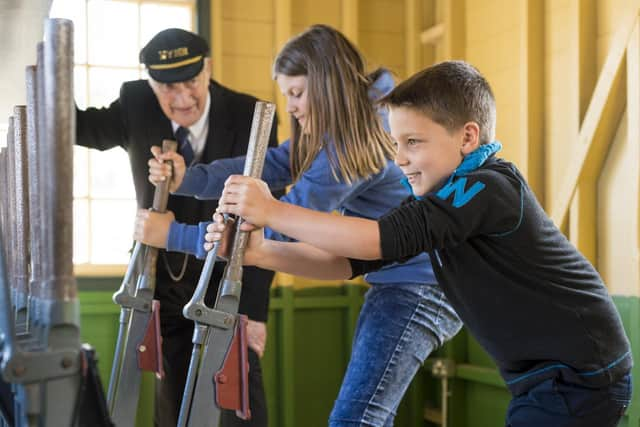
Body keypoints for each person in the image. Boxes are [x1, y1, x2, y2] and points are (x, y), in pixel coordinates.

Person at [210, 60, 633, 427]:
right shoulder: (438, 203)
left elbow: (377, 239)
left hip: (582, 374)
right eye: (396, 143)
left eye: (413, 142)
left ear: (468, 138)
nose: (399, 159)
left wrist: (272, 210)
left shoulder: (486, 187)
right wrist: (259, 253)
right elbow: (348, 260)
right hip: (543, 378)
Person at [143, 25, 462, 427]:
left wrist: (172, 235)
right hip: (402, 279)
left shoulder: (358, 140)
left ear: (327, 85)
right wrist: (189, 178)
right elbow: (272, 164)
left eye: (296, 93)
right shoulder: (354, 122)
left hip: (420, 288)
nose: (291, 107)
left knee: (356, 419)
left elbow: (282, 222)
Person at [75, 28, 278, 427]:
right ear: (150, 82)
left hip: (229, 279)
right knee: (174, 408)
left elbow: (266, 220)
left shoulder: (249, 114)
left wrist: (255, 312)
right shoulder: (136, 103)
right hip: (163, 283)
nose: (182, 98)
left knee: (241, 405)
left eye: (191, 82)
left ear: (208, 69)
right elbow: (81, 128)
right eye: (167, 87)